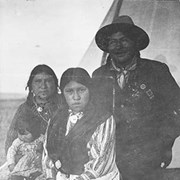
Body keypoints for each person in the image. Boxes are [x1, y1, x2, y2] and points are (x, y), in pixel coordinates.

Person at [92, 15, 180, 180]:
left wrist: (164, 145)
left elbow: (177, 110)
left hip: (148, 162)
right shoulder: (98, 76)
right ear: (108, 46)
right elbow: (91, 115)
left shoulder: (157, 71)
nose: (118, 46)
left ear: (135, 43)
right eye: (113, 42)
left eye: (124, 40)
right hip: (108, 162)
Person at [45, 67, 121, 180]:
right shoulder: (57, 118)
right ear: (62, 93)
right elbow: (48, 153)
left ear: (90, 90)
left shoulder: (103, 118)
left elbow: (102, 160)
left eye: (81, 90)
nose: (76, 97)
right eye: (69, 91)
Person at [5, 64, 62, 179]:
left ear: (55, 83)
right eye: (38, 81)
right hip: (27, 162)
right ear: (31, 86)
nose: (43, 86)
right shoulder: (24, 109)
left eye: (48, 81)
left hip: (57, 161)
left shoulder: (64, 105)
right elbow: (10, 142)